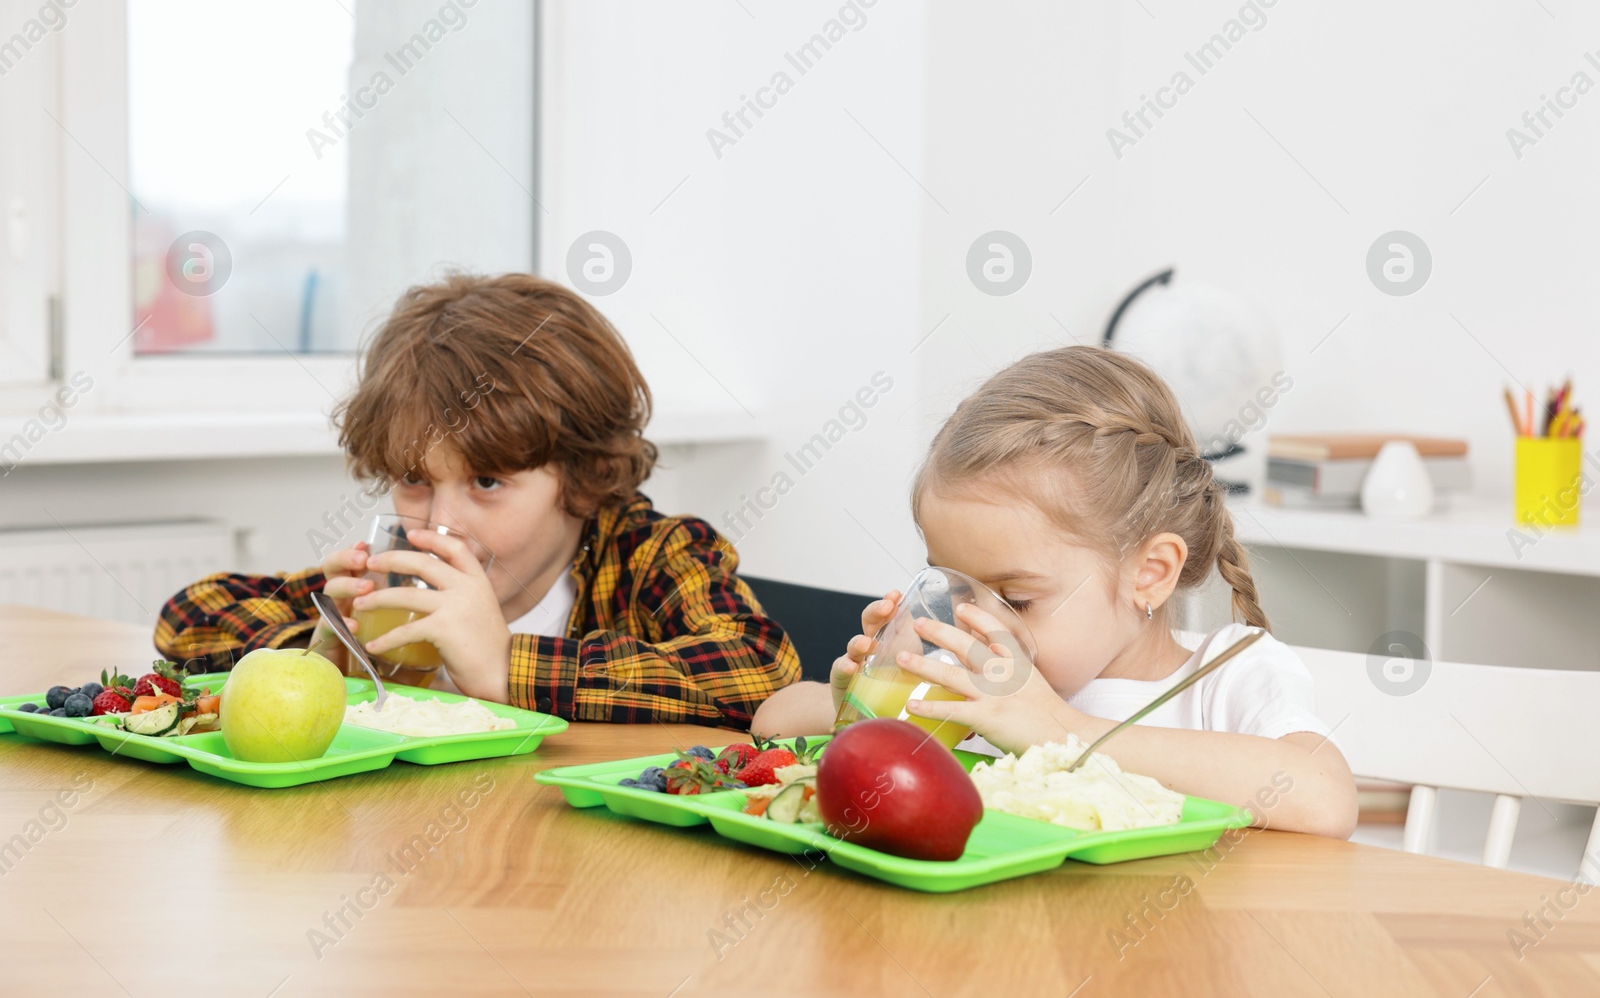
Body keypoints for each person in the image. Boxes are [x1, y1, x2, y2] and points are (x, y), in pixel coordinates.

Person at [753, 346, 1357, 836]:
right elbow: (771, 721)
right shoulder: (969, 683)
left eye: (1015, 600)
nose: (975, 624)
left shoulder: (1225, 678)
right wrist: (854, 711)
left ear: (1149, 572)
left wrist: (1059, 729)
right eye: (955, 588)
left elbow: (1324, 797)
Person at [155, 272, 799, 727]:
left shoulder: (651, 554)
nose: (440, 523)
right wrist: (325, 650)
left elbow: (758, 669)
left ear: (581, 474)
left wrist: (508, 665)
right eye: (414, 479)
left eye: (487, 482)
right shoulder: (398, 577)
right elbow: (188, 616)